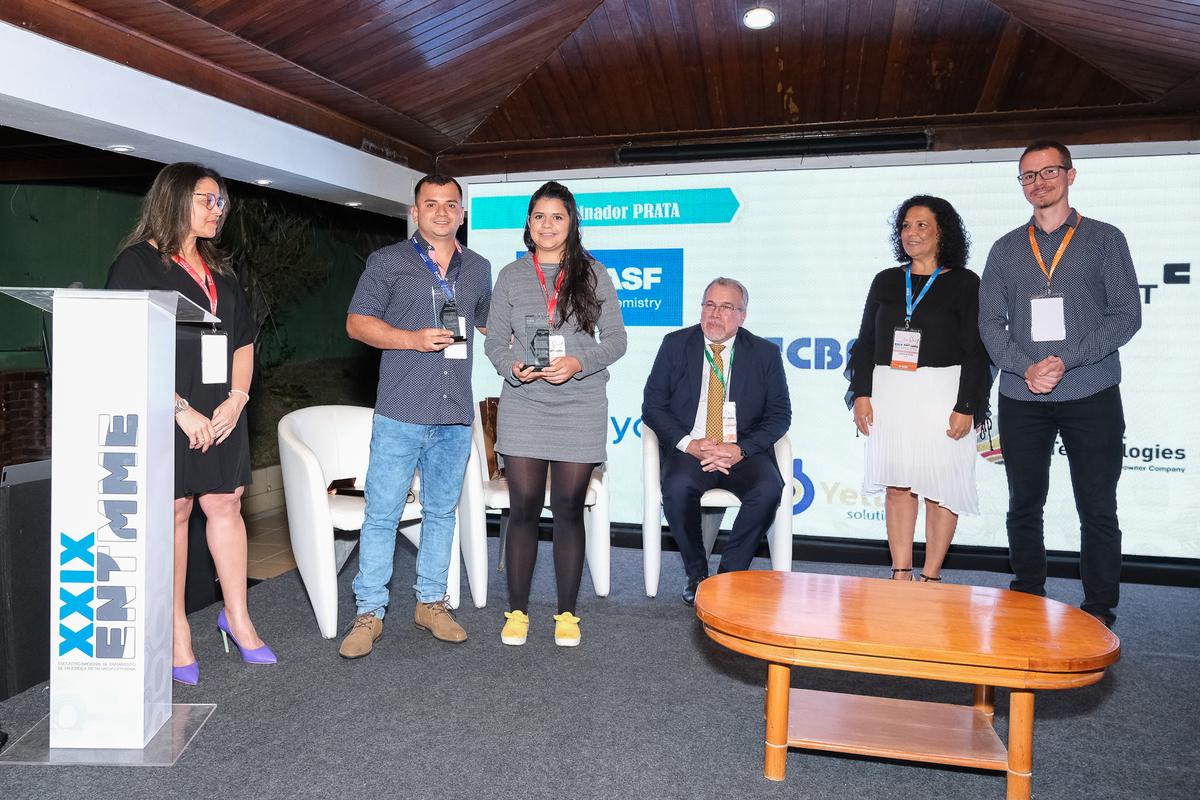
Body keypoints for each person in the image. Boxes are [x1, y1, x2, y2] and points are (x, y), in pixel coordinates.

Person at [105, 162, 273, 685]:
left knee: (225, 504)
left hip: (223, 409)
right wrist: (180, 410)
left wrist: (238, 399)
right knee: (176, 511)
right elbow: (125, 345)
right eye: (208, 200)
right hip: (168, 409)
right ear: (175, 200)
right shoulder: (136, 265)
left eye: (221, 202)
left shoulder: (222, 272)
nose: (217, 210)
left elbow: (243, 340)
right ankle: (177, 631)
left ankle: (237, 617)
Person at [979, 140, 1141, 628]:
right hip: (1021, 395)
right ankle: (1027, 593)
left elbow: (1126, 316)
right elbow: (989, 323)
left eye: (1049, 172)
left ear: (1071, 176)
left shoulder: (1105, 239)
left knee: (1096, 505)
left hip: (1091, 391)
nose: (1039, 183)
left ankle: (1098, 607)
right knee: (1023, 502)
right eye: (1028, 176)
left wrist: (1062, 361)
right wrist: (1025, 367)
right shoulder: (1005, 248)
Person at [340, 173, 491, 658]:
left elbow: (490, 321)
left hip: (454, 413)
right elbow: (356, 322)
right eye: (432, 204)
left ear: (462, 213)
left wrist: (543, 331)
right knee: (382, 515)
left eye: (451, 204)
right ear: (415, 212)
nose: (442, 212)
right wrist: (411, 338)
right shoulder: (387, 262)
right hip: (401, 412)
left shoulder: (479, 267)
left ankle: (431, 603)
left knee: (441, 513)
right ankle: (369, 613)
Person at [484, 181, 627, 647]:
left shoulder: (594, 274)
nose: (547, 225)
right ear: (529, 223)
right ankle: (518, 613)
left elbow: (617, 341)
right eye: (539, 216)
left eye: (557, 217)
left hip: (580, 404)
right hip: (524, 403)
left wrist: (578, 363)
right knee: (523, 510)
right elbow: (493, 341)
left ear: (572, 223)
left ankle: (567, 615)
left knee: (567, 510)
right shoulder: (510, 275)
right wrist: (513, 368)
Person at [846, 196, 992, 583]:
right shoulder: (886, 280)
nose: (911, 233)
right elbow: (864, 342)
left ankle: (931, 577)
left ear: (943, 232)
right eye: (906, 225)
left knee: (939, 487)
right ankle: (900, 574)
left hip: (943, 394)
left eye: (922, 225)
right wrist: (862, 393)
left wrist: (968, 404)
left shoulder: (964, 282)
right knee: (898, 485)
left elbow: (977, 351)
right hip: (890, 392)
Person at [642, 278, 791, 604]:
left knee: (768, 489)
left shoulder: (765, 353)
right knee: (678, 486)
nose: (715, 314)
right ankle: (697, 574)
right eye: (709, 304)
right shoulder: (675, 344)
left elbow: (780, 416)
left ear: (742, 316)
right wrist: (687, 443)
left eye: (726, 307)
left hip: (743, 451)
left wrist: (740, 449)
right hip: (691, 449)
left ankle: (728, 576)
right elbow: (652, 407)